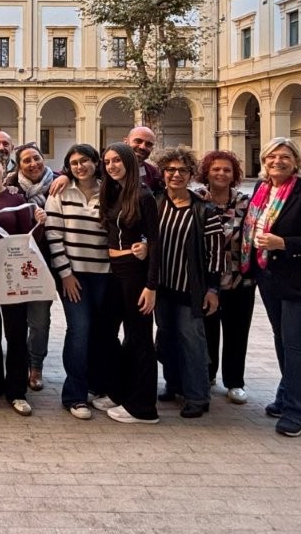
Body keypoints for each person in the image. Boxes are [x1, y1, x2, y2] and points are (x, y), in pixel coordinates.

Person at [241, 137, 301, 438]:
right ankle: (287, 395)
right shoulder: (262, 189)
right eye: (271, 157)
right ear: (263, 161)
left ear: (296, 161)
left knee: (295, 343)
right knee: (282, 338)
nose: (277, 162)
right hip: (269, 275)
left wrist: (284, 243)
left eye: (284, 156)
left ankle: (298, 411)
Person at [0, 148, 45, 416]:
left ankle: (16, 390)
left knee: (15, 330)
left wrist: (40, 223)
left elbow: (28, 238)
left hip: (12, 270)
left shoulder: (17, 198)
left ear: (4, 167)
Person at [152, 147, 224, 419]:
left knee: (192, 341)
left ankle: (197, 395)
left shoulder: (205, 210)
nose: (176, 175)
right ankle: (174, 384)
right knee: (166, 337)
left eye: (183, 170)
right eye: (170, 170)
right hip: (161, 287)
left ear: (191, 174)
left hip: (190, 289)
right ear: (163, 173)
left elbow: (216, 254)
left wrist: (213, 289)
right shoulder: (155, 203)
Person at [45, 143, 113, 420]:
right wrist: (65, 274)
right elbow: (53, 235)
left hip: (105, 274)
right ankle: (74, 395)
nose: (79, 166)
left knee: (101, 331)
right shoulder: (60, 192)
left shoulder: (110, 192)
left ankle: (97, 386)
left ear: (96, 162)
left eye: (84, 161)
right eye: (74, 163)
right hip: (74, 276)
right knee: (79, 329)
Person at [98, 142, 161, 425]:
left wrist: (151, 285)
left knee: (139, 338)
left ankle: (143, 407)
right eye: (107, 161)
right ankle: (119, 391)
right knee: (107, 332)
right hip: (115, 271)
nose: (111, 166)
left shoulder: (143, 195)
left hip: (135, 274)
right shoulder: (114, 191)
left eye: (116, 161)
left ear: (128, 162)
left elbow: (155, 241)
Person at [196, 150, 253, 405]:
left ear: (234, 175)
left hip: (240, 280)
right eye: (216, 169)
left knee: (237, 332)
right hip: (206, 279)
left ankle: (234, 382)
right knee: (206, 331)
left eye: (227, 170)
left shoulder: (245, 203)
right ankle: (207, 375)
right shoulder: (197, 200)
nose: (221, 173)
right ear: (207, 173)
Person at [5, 143, 57, 393]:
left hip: (46, 262)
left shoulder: (57, 184)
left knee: (39, 320)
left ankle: (36, 366)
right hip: (16, 262)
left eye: (36, 158)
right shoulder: (10, 189)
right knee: (15, 322)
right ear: (19, 165)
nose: (33, 164)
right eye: (26, 160)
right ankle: (17, 365)